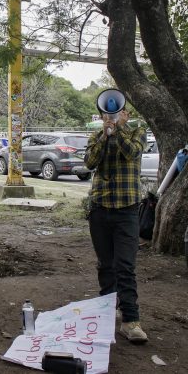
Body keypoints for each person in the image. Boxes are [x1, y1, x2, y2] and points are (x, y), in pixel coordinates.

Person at [84, 98, 148, 343]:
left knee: (125, 267)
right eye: (107, 113)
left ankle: (131, 321)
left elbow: (132, 153)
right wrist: (105, 135)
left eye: (117, 112)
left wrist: (118, 130)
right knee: (105, 265)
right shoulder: (97, 137)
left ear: (126, 114)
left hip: (127, 211)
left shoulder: (137, 133)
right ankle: (105, 315)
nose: (111, 116)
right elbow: (89, 162)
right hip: (100, 209)